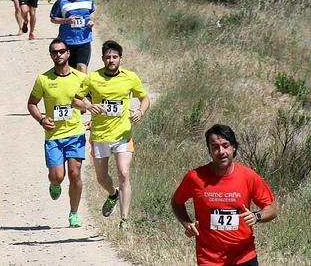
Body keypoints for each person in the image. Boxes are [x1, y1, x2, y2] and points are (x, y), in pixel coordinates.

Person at [172, 124, 277, 266]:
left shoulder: (248, 176)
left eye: (225, 145)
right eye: (215, 147)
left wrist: (256, 216)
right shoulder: (195, 177)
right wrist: (187, 224)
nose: (221, 151)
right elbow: (177, 202)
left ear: (233, 147)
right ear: (209, 151)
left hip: (244, 256)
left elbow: (271, 209)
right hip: (209, 259)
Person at [74, 40, 150, 229]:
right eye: (108, 57)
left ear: (120, 58)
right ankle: (113, 194)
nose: (111, 60)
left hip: (123, 134)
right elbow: (75, 99)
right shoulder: (92, 78)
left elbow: (144, 98)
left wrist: (140, 111)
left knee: (124, 173)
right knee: (102, 178)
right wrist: (88, 106)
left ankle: (124, 219)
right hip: (100, 135)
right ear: (102, 59)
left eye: (114, 57)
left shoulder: (130, 77)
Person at [27, 38, 87, 228]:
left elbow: (95, 100)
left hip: (76, 133)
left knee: (75, 173)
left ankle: (74, 213)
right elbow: (31, 103)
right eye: (54, 52)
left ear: (68, 53)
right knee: (58, 176)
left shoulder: (81, 78)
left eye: (61, 51)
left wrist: (93, 117)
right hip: (53, 136)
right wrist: (42, 119)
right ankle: (54, 183)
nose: (58, 55)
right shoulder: (43, 79)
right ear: (51, 55)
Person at [50, 0, 95, 73]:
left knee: (82, 68)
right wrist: (66, 20)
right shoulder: (61, 2)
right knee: (69, 71)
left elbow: (92, 12)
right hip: (67, 42)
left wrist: (92, 20)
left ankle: (83, 88)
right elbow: (53, 19)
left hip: (84, 41)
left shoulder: (88, 0)